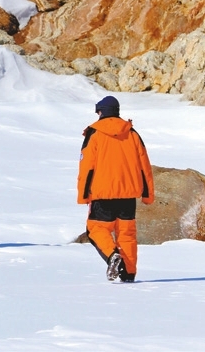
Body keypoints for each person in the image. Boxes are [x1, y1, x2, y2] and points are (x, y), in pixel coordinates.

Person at [77, 95, 154, 282]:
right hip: (128, 195)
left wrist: (83, 195)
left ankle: (112, 256)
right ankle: (128, 274)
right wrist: (148, 195)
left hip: (102, 194)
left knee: (95, 229)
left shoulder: (95, 134)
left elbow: (86, 167)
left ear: (101, 112)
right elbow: (145, 166)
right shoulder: (132, 133)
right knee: (127, 235)